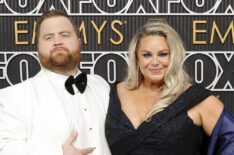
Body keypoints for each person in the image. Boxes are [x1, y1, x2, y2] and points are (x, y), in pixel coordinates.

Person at [105, 20, 234, 155]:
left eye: (163, 54)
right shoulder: (114, 93)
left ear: (173, 56)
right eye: (147, 55)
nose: (155, 62)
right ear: (137, 58)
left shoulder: (195, 98)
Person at [0, 10, 111, 155]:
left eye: (64, 35)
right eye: (48, 37)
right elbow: (4, 148)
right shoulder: (13, 96)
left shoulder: (101, 85)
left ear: (78, 42)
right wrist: (58, 152)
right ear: (38, 47)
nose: (57, 41)